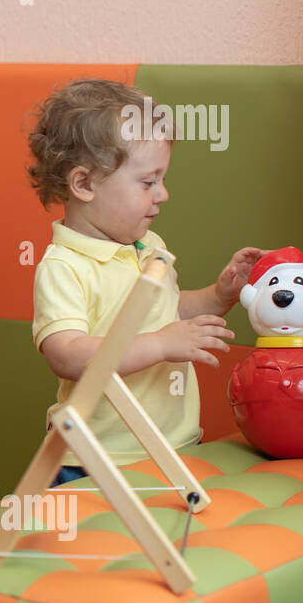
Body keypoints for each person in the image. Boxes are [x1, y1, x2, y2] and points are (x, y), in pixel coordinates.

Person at [26, 79, 261, 484]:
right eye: (148, 182)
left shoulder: (147, 245)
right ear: (84, 184)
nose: (163, 194)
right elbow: (66, 355)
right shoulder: (64, 266)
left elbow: (168, 310)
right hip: (96, 459)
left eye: (162, 179)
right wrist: (160, 344)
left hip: (175, 446)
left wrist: (220, 294)